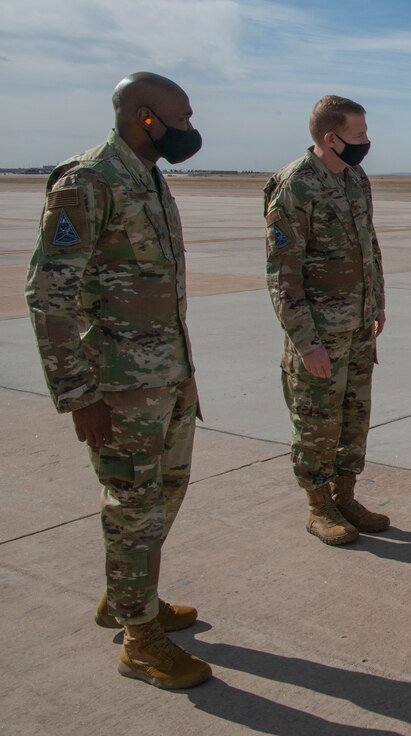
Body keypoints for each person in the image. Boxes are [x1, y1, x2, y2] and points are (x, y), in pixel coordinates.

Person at [24, 72, 211, 688]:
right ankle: (140, 640)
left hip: (167, 377)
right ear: (144, 116)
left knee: (165, 496)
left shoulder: (148, 177)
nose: (191, 127)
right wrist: (78, 394)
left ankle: (127, 598)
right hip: (119, 387)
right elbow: (49, 294)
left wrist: (183, 376)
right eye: (180, 116)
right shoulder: (89, 182)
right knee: (134, 508)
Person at [264, 95, 388, 546]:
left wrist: (376, 303)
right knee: (317, 422)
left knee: (355, 418)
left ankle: (345, 494)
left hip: (357, 327)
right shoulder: (295, 186)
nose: (366, 143)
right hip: (318, 334)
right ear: (330, 138)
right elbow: (282, 273)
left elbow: (367, 244)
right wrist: (305, 342)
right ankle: (318, 506)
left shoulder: (356, 178)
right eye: (359, 136)